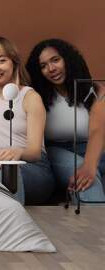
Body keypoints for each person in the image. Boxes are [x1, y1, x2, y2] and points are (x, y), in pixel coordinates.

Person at [26, 39, 105, 202]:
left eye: (55, 60)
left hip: (93, 147)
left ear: (68, 59)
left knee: (89, 171)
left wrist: (89, 165)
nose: (51, 69)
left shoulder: (96, 90)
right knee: (86, 180)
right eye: (43, 66)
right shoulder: (35, 96)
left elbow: (98, 129)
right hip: (56, 151)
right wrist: (88, 169)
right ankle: (96, 226)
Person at [0, 37, 55, 205]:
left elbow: (35, 152)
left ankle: (13, 226)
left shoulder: (30, 97)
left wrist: (18, 152)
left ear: (14, 62)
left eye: (1, 61)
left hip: (34, 169)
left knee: (7, 176)